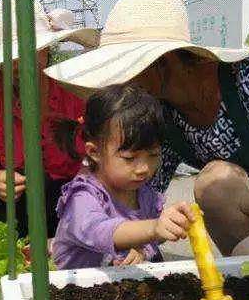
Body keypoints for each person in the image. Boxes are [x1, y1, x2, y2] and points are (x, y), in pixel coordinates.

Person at [44, 0, 249, 256]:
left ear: (161, 61)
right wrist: (85, 234)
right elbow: (141, 190)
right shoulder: (163, 117)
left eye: (124, 70)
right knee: (215, 184)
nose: (119, 83)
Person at [0, 0, 99, 238]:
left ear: (46, 51)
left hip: (71, 205)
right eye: (11, 61)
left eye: (30, 55)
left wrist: (86, 175)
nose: (21, 65)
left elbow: (97, 155)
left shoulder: (73, 94)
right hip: (9, 211)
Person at [51, 84, 194, 269]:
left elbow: (153, 240)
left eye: (153, 155)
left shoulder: (144, 194)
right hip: (71, 289)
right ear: (94, 152)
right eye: (129, 158)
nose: (143, 168)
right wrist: (154, 227)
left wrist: (144, 250)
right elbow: (98, 231)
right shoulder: (83, 196)